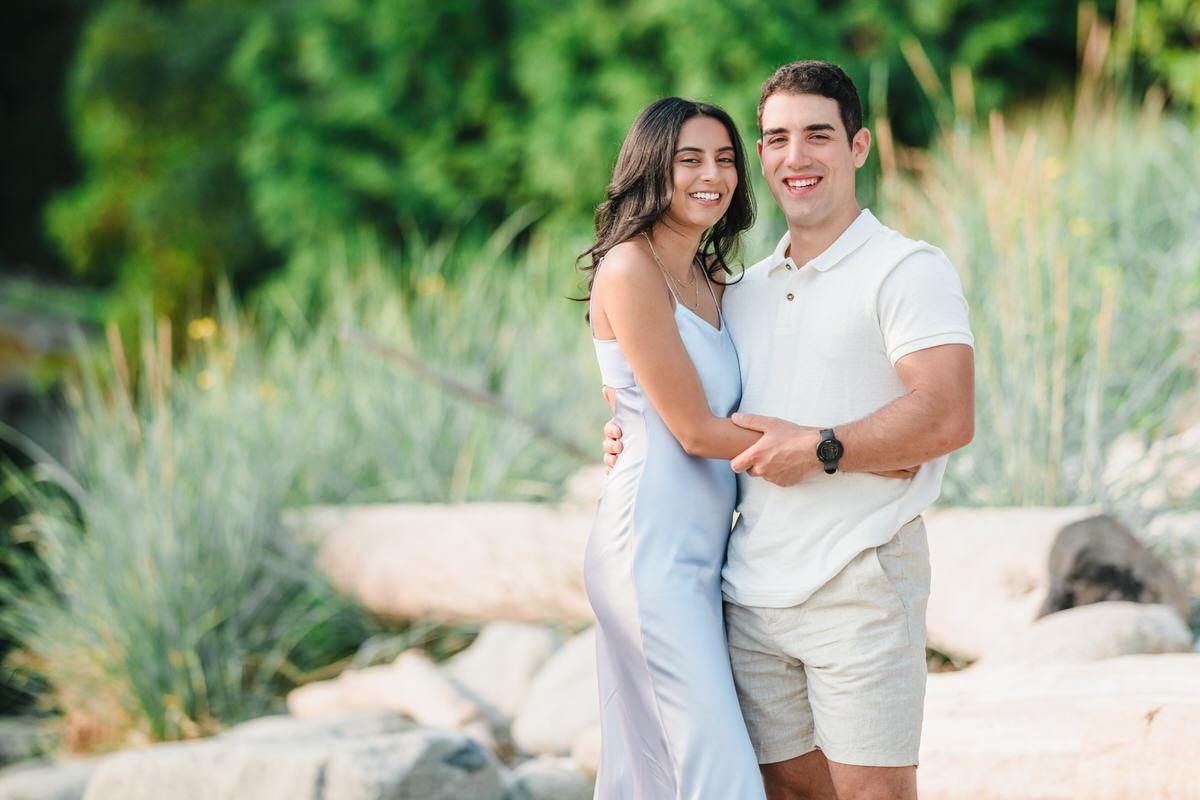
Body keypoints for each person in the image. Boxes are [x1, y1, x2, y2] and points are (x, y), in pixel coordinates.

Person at [602, 61, 976, 800]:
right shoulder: (742, 290)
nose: (794, 157)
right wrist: (623, 426)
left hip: (860, 582)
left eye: (817, 135)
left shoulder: (906, 269)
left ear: (859, 147)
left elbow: (946, 413)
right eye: (775, 139)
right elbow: (681, 392)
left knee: (874, 794)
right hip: (747, 590)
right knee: (785, 793)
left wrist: (828, 449)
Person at [581, 96, 768, 799]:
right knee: (715, 772)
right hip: (647, 554)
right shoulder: (631, 269)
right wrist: (824, 448)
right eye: (689, 159)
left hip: (701, 554)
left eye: (724, 159)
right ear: (651, 168)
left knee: (653, 774)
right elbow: (690, 430)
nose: (710, 175)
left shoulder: (713, 276)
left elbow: (624, 399)